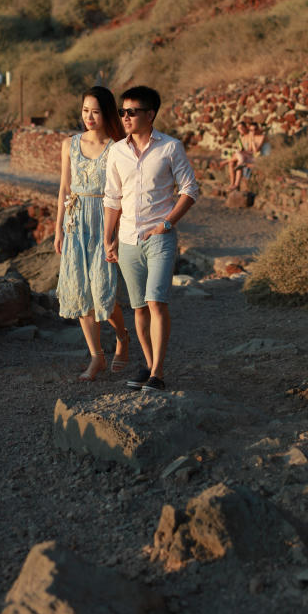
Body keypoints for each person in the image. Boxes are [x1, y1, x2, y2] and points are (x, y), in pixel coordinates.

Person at [103, 85, 199, 392]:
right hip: (127, 238)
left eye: (132, 112)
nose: (125, 117)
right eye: (122, 111)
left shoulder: (170, 147)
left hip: (160, 237)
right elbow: (112, 198)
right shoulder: (116, 151)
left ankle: (157, 372)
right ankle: (148, 365)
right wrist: (108, 239)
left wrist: (167, 224)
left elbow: (190, 189)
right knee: (139, 308)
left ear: (150, 114)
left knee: (156, 301)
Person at [54, 86, 130, 382]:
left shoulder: (117, 147)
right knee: (80, 292)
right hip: (75, 222)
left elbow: (122, 192)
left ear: (107, 113)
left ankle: (122, 336)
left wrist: (116, 234)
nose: (89, 117)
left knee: (103, 292)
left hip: (103, 221)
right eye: (85, 110)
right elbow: (64, 188)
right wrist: (59, 228)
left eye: (95, 112)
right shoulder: (69, 144)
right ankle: (96, 356)